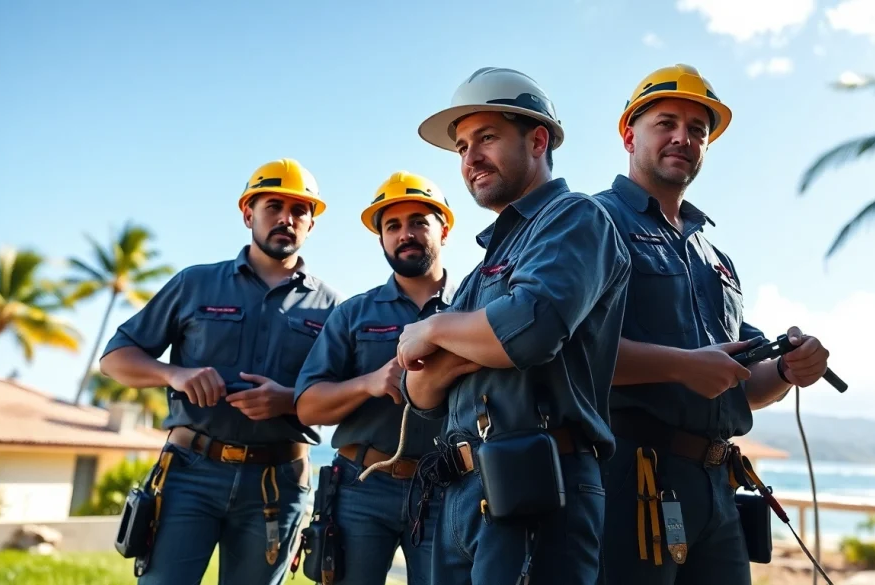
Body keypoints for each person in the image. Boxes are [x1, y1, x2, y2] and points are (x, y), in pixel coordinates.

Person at [593, 64, 832, 585]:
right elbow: (564, 351)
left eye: (698, 130)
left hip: (718, 483)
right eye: (666, 122)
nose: (683, 137)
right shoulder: (592, 223)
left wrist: (789, 370)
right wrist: (681, 367)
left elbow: (737, 386)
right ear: (629, 134)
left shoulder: (714, 256)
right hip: (631, 476)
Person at [395, 66, 632, 585]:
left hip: (541, 483)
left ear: (538, 140)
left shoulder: (576, 219)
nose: (470, 158)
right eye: (461, 147)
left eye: (486, 138)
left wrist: (435, 333)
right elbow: (418, 390)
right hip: (461, 491)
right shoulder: (483, 266)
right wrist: (478, 340)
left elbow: (529, 330)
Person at [98, 158, 343, 585]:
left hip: (277, 484)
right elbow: (115, 357)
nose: (286, 218)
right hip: (189, 472)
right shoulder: (195, 284)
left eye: (300, 210)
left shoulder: (334, 308)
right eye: (273, 206)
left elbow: (350, 398)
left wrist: (288, 400)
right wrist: (175, 376)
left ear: (311, 224)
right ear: (248, 213)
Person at [294, 170, 466, 585]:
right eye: (393, 226)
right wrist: (368, 383)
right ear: (382, 239)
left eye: (418, 223)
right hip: (360, 488)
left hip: (446, 489)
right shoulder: (354, 313)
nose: (405, 234)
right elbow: (306, 407)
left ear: (444, 230)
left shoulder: (473, 307)